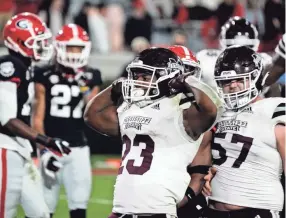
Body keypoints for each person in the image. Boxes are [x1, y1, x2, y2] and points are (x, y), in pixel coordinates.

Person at [84, 47, 223, 217]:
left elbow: (211, 110)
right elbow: (91, 115)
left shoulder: (183, 112)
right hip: (121, 209)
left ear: (168, 77)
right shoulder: (131, 108)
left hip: (157, 210)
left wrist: (187, 82)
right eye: (137, 76)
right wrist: (114, 88)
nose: (138, 81)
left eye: (145, 76)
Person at [0, 12, 71, 218]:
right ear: (19, 42)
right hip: (5, 147)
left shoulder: (26, 68)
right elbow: (7, 119)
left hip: (20, 149)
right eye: (36, 41)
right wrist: (45, 140)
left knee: (41, 213)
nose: (42, 46)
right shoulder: (10, 66)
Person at [201, 45, 285, 218]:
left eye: (239, 80)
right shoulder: (218, 113)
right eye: (226, 82)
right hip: (213, 210)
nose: (233, 86)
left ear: (255, 78)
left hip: (257, 209)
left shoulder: (273, 109)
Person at [32, 23, 102, 218]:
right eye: (70, 47)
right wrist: (44, 149)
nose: (73, 52)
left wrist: (84, 86)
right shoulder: (44, 74)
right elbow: (37, 117)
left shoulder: (91, 76)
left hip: (78, 147)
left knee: (79, 206)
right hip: (52, 145)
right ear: (59, 47)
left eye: (78, 48)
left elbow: (93, 112)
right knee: (45, 207)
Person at [196, 16, 273, 91]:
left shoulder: (264, 61)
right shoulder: (208, 60)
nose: (240, 53)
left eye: (246, 46)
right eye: (234, 46)